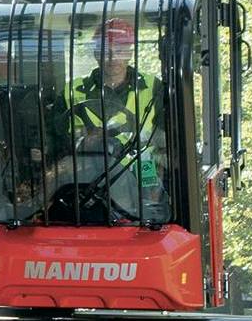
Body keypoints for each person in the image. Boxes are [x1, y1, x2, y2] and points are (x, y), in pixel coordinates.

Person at [43, 16, 162, 221]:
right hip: (87, 169)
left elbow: (168, 138)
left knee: (154, 193)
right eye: (105, 50)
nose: (112, 57)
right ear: (95, 53)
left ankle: (145, 220)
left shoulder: (153, 88)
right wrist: (83, 140)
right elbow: (55, 140)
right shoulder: (72, 92)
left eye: (120, 50)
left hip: (141, 165)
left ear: (130, 53)